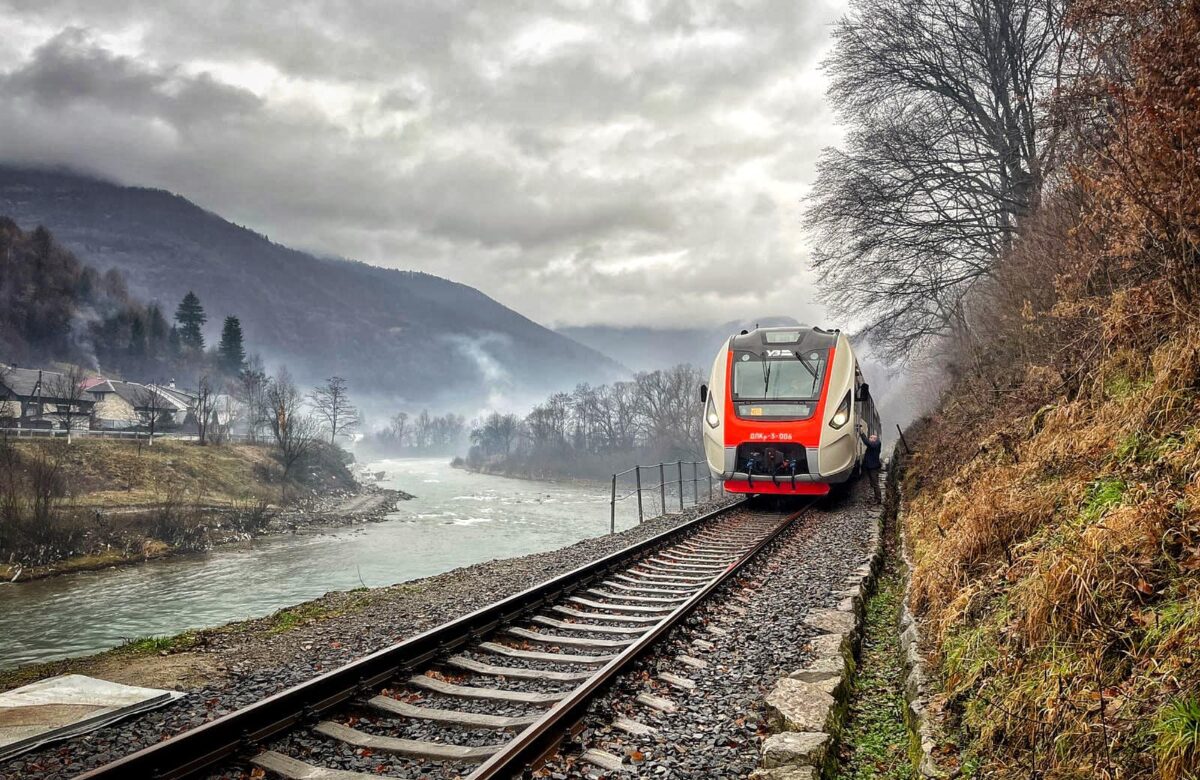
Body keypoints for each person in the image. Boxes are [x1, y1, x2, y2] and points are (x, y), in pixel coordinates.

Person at [859, 429, 883, 503]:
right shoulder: (874, 445)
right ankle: (876, 498)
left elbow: (868, 443)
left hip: (873, 467)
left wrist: (862, 434)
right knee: (873, 483)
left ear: (874, 439)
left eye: (871, 438)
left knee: (875, 483)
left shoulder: (876, 444)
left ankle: (878, 499)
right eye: (869, 438)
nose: (869, 439)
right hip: (870, 467)